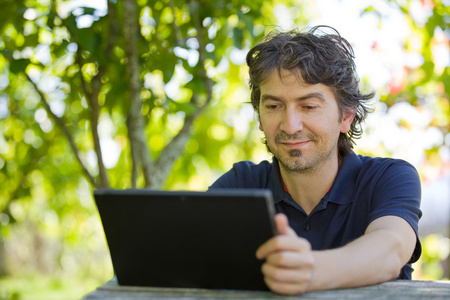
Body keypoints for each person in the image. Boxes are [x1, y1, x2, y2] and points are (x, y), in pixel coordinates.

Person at [208, 25, 422, 295]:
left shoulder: (388, 177)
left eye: (308, 106)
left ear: (346, 116)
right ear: (260, 117)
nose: (290, 124)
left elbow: (390, 247)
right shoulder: (240, 185)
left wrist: (310, 270)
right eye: (273, 106)